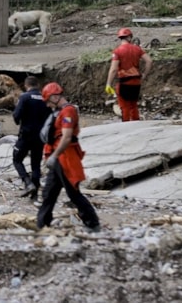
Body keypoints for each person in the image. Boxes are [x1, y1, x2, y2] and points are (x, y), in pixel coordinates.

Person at [36, 82, 100, 232]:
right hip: (59, 156)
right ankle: (42, 223)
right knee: (49, 191)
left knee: (73, 193)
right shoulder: (60, 112)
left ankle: (92, 222)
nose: (47, 105)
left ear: (55, 97)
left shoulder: (68, 112)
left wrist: (55, 156)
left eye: (47, 101)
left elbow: (66, 137)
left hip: (66, 157)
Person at [12, 76, 51, 200]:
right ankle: (34, 195)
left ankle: (27, 183)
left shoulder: (24, 97)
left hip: (26, 135)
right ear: (38, 85)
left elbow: (16, 116)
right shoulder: (45, 98)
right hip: (40, 137)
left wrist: (19, 119)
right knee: (36, 164)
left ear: (26, 85)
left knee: (17, 159)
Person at [105, 27, 153, 121]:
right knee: (133, 105)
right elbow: (149, 61)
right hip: (136, 82)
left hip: (124, 82)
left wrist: (108, 84)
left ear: (120, 38)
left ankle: (126, 127)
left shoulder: (117, 51)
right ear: (130, 37)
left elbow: (114, 69)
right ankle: (136, 125)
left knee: (124, 107)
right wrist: (144, 74)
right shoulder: (137, 49)